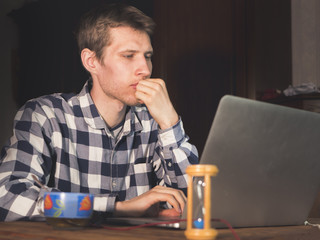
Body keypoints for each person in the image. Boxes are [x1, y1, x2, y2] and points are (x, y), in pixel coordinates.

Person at [0, 3, 198, 221]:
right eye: (129, 55)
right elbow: (9, 197)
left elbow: (192, 201)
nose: (146, 69)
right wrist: (118, 208)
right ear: (91, 61)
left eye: (148, 55)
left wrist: (170, 122)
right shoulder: (45, 115)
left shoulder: (153, 121)